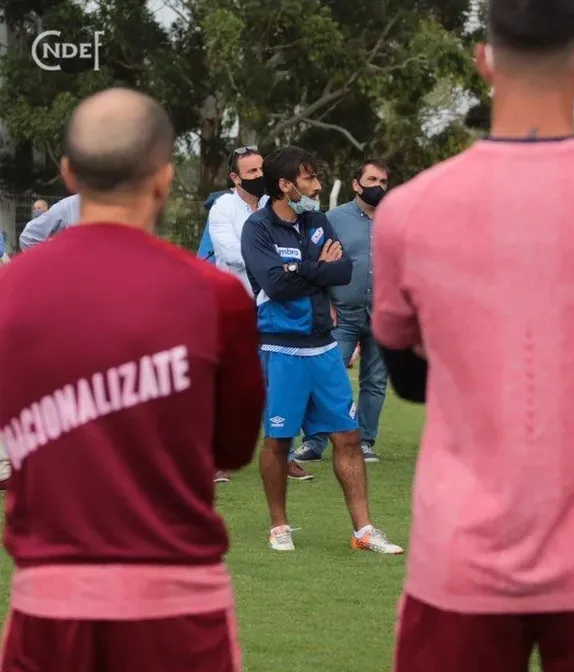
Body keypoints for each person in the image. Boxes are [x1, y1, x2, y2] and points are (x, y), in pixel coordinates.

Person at [373, 1, 574, 669]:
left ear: (484, 60)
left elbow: (406, 377)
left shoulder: (408, 211)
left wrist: (480, 377)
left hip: (459, 559)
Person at [0, 87, 264, 671]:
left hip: (49, 609)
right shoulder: (216, 296)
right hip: (176, 607)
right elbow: (233, 448)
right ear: (164, 178)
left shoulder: (8, 294)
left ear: (69, 173)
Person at [240, 145, 403, 555]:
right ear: (285, 185)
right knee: (278, 440)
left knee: (347, 437)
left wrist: (299, 269)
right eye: (309, 178)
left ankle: (363, 530)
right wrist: (315, 268)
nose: (315, 186)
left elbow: (343, 271)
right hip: (281, 348)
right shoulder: (257, 228)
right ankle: (279, 526)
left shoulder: (317, 221)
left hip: (324, 347)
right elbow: (274, 285)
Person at [296, 159, 391, 465]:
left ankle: (365, 441)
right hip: (342, 315)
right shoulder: (332, 219)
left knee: (375, 381)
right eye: (372, 179)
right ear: (356, 184)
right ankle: (314, 442)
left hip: (384, 316)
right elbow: (316, 265)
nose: (379, 186)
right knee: (327, 377)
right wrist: (325, 304)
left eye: (383, 181)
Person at [206, 145, 286, 482]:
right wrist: (275, 257)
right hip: (235, 308)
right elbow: (231, 252)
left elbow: (292, 245)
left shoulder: (274, 205)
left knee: (279, 381)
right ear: (235, 178)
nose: (259, 177)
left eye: (261, 170)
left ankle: (283, 456)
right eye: (251, 172)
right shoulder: (223, 207)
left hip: (274, 304)